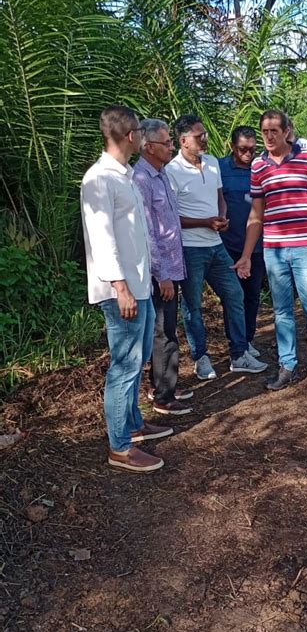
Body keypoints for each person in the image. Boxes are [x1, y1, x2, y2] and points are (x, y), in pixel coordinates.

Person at [80, 105, 173, 474]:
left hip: (139, 286)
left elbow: (134, 236)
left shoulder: (124, 175)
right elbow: (103, 240)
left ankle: (133, 424)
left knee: (137, 361)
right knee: (124, 365)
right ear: (131, 136)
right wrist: (120, 287)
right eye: (139, 131)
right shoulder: (99, 179)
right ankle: (119, 446)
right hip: (121, 290)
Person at [232, 109, 307, 395]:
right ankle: (287, 366)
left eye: (274, 130)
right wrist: (247, 254)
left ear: (286, 132)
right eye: (265, 131)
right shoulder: (259, 166)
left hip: (306, 246)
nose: (269, 136)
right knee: (282, 312)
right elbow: (256, 214)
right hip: (274, 250)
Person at [166, 114, 268, 380]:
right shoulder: (171, 171)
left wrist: (221, 216)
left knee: (235, 294)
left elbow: (219, 196)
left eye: (205, 135)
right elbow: (171, 219)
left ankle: (239, 353)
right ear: (183, 140)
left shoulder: (211, 164)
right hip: (190, 248)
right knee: (193, 306)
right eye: (199, 136)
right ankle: (201, 357)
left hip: (215, 244)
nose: (204, 140)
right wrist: (204, 222)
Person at [133, 119, 194, 416]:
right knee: (162, 332)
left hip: (173, 266)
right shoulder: (141, 179)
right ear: (148, 147)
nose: (171, 147)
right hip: (161, 273)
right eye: (167, 143)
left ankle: (165, 384)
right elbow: (148, 233)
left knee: (168, 328)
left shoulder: (162, 175)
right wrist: (163, 275)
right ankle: (162, 396)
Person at [219, 126, 265, 357]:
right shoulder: (219, 169)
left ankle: (247, 340)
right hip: (228, 246)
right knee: (232, 296)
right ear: (232, 147)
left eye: (252, 149)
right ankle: (235, 343)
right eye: (243, 149)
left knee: (252, 295)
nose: (248, 154)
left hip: (256, 245)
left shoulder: (261, 167)